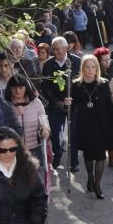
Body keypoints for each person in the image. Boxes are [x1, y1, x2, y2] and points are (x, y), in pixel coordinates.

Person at [70, 54, 113, 198]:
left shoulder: (103, 84)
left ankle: (97, 184)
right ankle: (90, 176)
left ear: (97, 69)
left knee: (101, 155)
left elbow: (109, 106)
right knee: (88, 154)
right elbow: (72, 105)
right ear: (82, 69)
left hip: (101, 124)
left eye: (93, 67)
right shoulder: (76, 85)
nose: (90, 70)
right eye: (87, 67)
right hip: (85, 124)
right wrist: (67, 103)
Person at [39, 37, 81, 172]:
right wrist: (57, 102)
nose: (54, 52)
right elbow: (45, 86)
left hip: (73, 103)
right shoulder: (48, 64)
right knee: (54, 132)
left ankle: (74, 161)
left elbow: (80, 82)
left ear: (66, 48)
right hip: (55, 103)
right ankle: (57, 154)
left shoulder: (76, 61)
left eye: (57, 49)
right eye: (53, 49)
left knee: (74, 133)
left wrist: (72, 99)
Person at [5, 75, 50, 170]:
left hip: (34, 148)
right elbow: (2, 125)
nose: (17, 91)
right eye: (14, 88)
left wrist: (45, 129)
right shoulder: (5, 104)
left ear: (26, 87)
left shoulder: (36, 102)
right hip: (13, 149)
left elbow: (43, 120)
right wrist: (14, 114)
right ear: (10, 89)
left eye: (21, 87)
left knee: (34, 178)